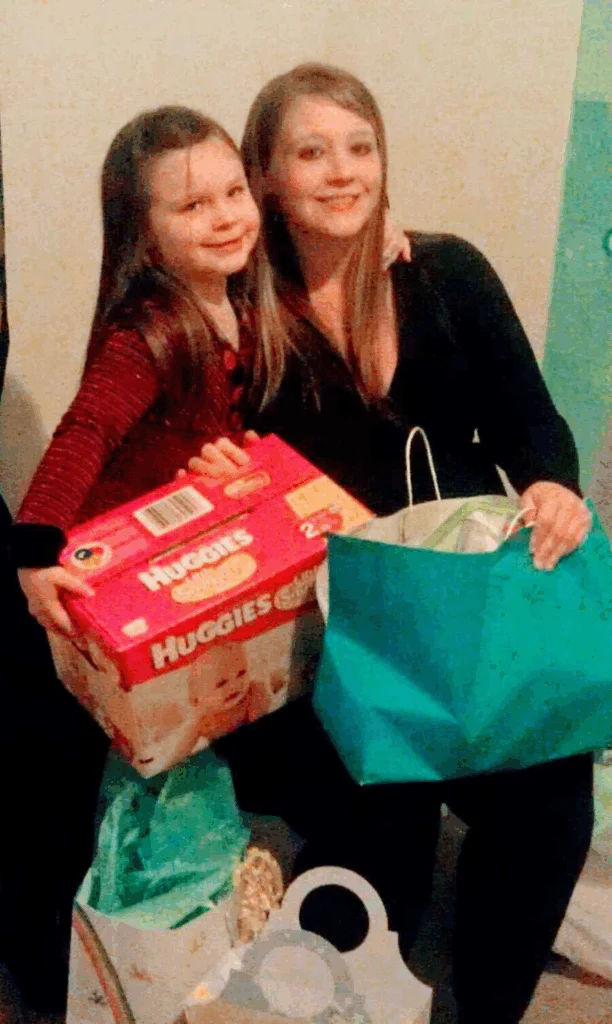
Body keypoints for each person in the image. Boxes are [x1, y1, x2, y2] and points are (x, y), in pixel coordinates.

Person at [189, 63, 595, 1024]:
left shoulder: (447, 274)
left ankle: (488, 1007)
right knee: (379, 841)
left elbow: (532, 423)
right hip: (334, 642)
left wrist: (552, 486)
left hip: (465, 616)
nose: (343, 172)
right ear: (266, 176)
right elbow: (182, 456)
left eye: (360, 147)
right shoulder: (237, 312)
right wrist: (208, 468)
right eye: (311, 152)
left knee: (550, 801)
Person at [7, 104, 261, 1014]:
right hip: (93, 599)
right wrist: (33, 551)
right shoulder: (147, 333)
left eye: (234, 192)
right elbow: (82, 435)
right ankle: (44, 961)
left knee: (136, 787)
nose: (225, 217)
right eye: (192, 206)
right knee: (65, 798)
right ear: (145, 235)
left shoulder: (241, 294)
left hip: (161, 582)